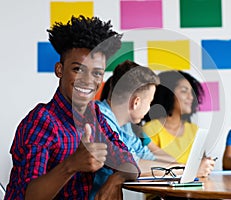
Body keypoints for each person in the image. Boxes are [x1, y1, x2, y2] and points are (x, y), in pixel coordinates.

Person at [4, 15, 139, 200]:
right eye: (78, 69)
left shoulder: (95, 116)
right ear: (60, 70)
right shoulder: (41, 121)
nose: (88, 80)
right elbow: (28, 196)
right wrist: (71, 165)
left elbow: (129, 162)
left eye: (97, 73)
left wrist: (117, 179)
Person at [143, 70, 215, 177]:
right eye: (184, 91)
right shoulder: (150, 129)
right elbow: (152, 169)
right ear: (169, 93)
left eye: (192, 92)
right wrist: (192, 170)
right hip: (161, 192)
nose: (191, 97)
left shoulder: (194, 130)